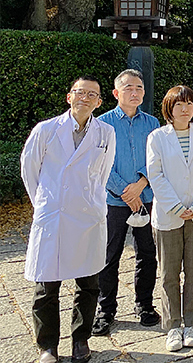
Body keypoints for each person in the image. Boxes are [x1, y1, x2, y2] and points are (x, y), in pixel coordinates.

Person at [21, 76, 116, 363]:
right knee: (46, 286)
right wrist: (44, 204)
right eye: (80, 93)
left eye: (92, 95)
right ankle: (47, 345)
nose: (85, 98)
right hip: (54, 216)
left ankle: (80, 340)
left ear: (99, 101)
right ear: (69, 97)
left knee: (88, 284)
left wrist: (93, 202)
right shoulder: (47, 130)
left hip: (87, 216)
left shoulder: (105, 132)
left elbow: (103, 172)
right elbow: (30, 169)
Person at [147, 86, 193, 352]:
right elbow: (156, 175)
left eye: (189, 104)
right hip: (168, 214)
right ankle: (173, 325)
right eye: (179, 105)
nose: (185, 109)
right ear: (169, 108)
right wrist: (176, 207)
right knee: (169, 273)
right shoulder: (157, 137)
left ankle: (191, 324)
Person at [92, 70, 160, 338]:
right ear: (116, 93)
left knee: (147, 254)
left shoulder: (153, 123)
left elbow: (157, 159)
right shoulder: (102, 124)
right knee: (109, 256)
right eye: (129, 87)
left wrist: (141, 184)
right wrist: (125, 191)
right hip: (113, 201)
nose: (135, 92)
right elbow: (99, 163)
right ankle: (105, 309)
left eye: (139, 88)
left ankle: (144, 304)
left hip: (146, 197)